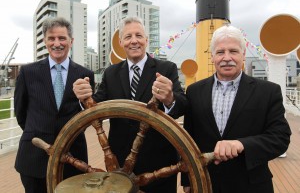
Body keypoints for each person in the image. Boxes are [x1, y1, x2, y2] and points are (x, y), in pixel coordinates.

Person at [73, 16, 187, 193]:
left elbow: (181, 106)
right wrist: (84, 98)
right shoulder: (111, 73)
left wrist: (169, 98)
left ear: (146, 40)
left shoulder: (166, 69)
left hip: (159, 163)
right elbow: (96, 107)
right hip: (119, 164)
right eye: (128, 37)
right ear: (121, 42)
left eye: (139, 35)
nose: (134, 41)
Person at [181, 25, 291, 193]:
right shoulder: (194, 91)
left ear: (243, 54)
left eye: (233, 51)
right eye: (220, 52)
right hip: (206, 184)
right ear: (212, 57)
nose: (227, 58)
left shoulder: (268, 91)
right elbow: (187, 140)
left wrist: (241, 144)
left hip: (251, 186)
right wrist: (187, 180)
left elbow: (280, 138)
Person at [14, 17, 94, 193]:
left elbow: (88, 115)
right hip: (34, 158)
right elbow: (21, 114)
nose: (57, 43)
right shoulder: (28, 73)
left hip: (73, 157)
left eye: (62, 38)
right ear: (45, 41)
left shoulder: (85, 74)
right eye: (51, 38)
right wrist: (37, 131)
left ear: (71, 41)